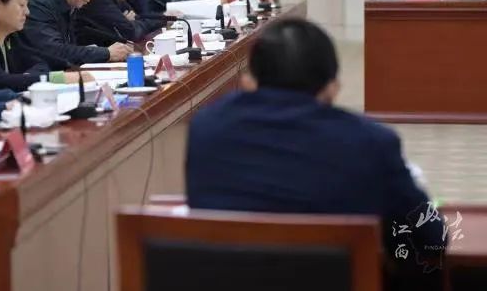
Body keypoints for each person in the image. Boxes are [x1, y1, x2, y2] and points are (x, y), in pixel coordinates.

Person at [186, 18, 446, 290]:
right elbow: (431, 239)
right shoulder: (370, 142)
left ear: (249, 82)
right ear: (332, 88)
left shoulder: (207, 126)